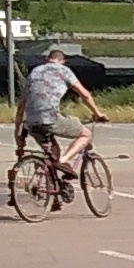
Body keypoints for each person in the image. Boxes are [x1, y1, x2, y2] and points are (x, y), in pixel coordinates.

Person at [15, 44, 103, 176]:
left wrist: (18, 131)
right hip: (50, 118)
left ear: (47, 59)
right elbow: (84, 94)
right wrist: (98, 113)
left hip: (32, 122)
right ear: (63, 61)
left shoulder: (35, 72)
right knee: (86, 134)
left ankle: (48, 184)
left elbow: (22, 105)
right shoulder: (63, 70)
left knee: (52, 156)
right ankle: (64, 160)